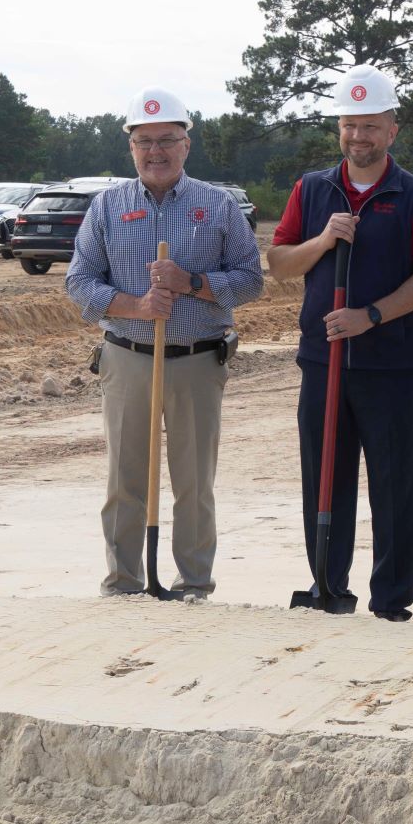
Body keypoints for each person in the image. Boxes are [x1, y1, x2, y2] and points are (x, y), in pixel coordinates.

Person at [266, 65, 413, 621]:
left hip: (389, 363)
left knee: (393, 484)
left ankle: (391, 599)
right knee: (325, 476)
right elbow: (279, 263)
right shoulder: (311, 189)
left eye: (370, 125)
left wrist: (371, 316)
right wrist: (323, 240)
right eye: (349, 125)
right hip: (322, 360)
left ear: (392, 129)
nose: (358, 136)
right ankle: (327, 584)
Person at [66, 87, 264, 599]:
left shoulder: (217, 205)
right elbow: (79, 282)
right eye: (145, 141)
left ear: (186, 144)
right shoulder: (107, 206)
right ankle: (123, 582)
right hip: (128, 357)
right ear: (131, 147)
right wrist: (137, 306)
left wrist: (190, 283)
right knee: (125, 479)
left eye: (167, 140)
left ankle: (193, 583)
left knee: (193, 482)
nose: (156, 151)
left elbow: (250, 280)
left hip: (197, 359)